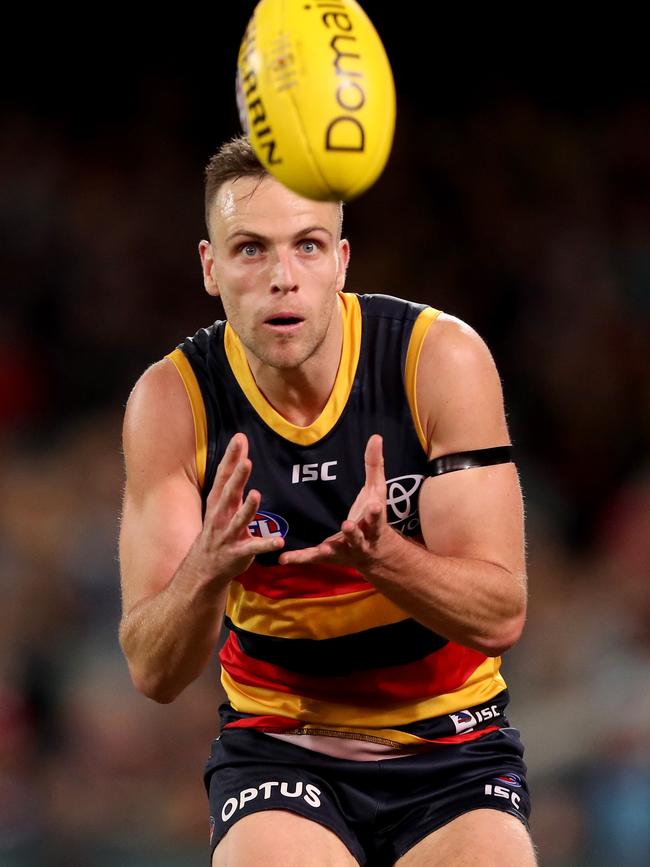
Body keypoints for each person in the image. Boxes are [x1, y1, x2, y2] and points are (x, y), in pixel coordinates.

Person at [118, 134, 537, 866]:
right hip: (280, 746)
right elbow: (154, 672)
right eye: (250, 249)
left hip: (453, 740)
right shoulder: (171, 401)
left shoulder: (437, 360)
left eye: (307, 246)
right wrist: (207, 567)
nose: (284, 276)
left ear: (341, 262)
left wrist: (386, 559)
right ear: (210, 268)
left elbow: (502, 613)